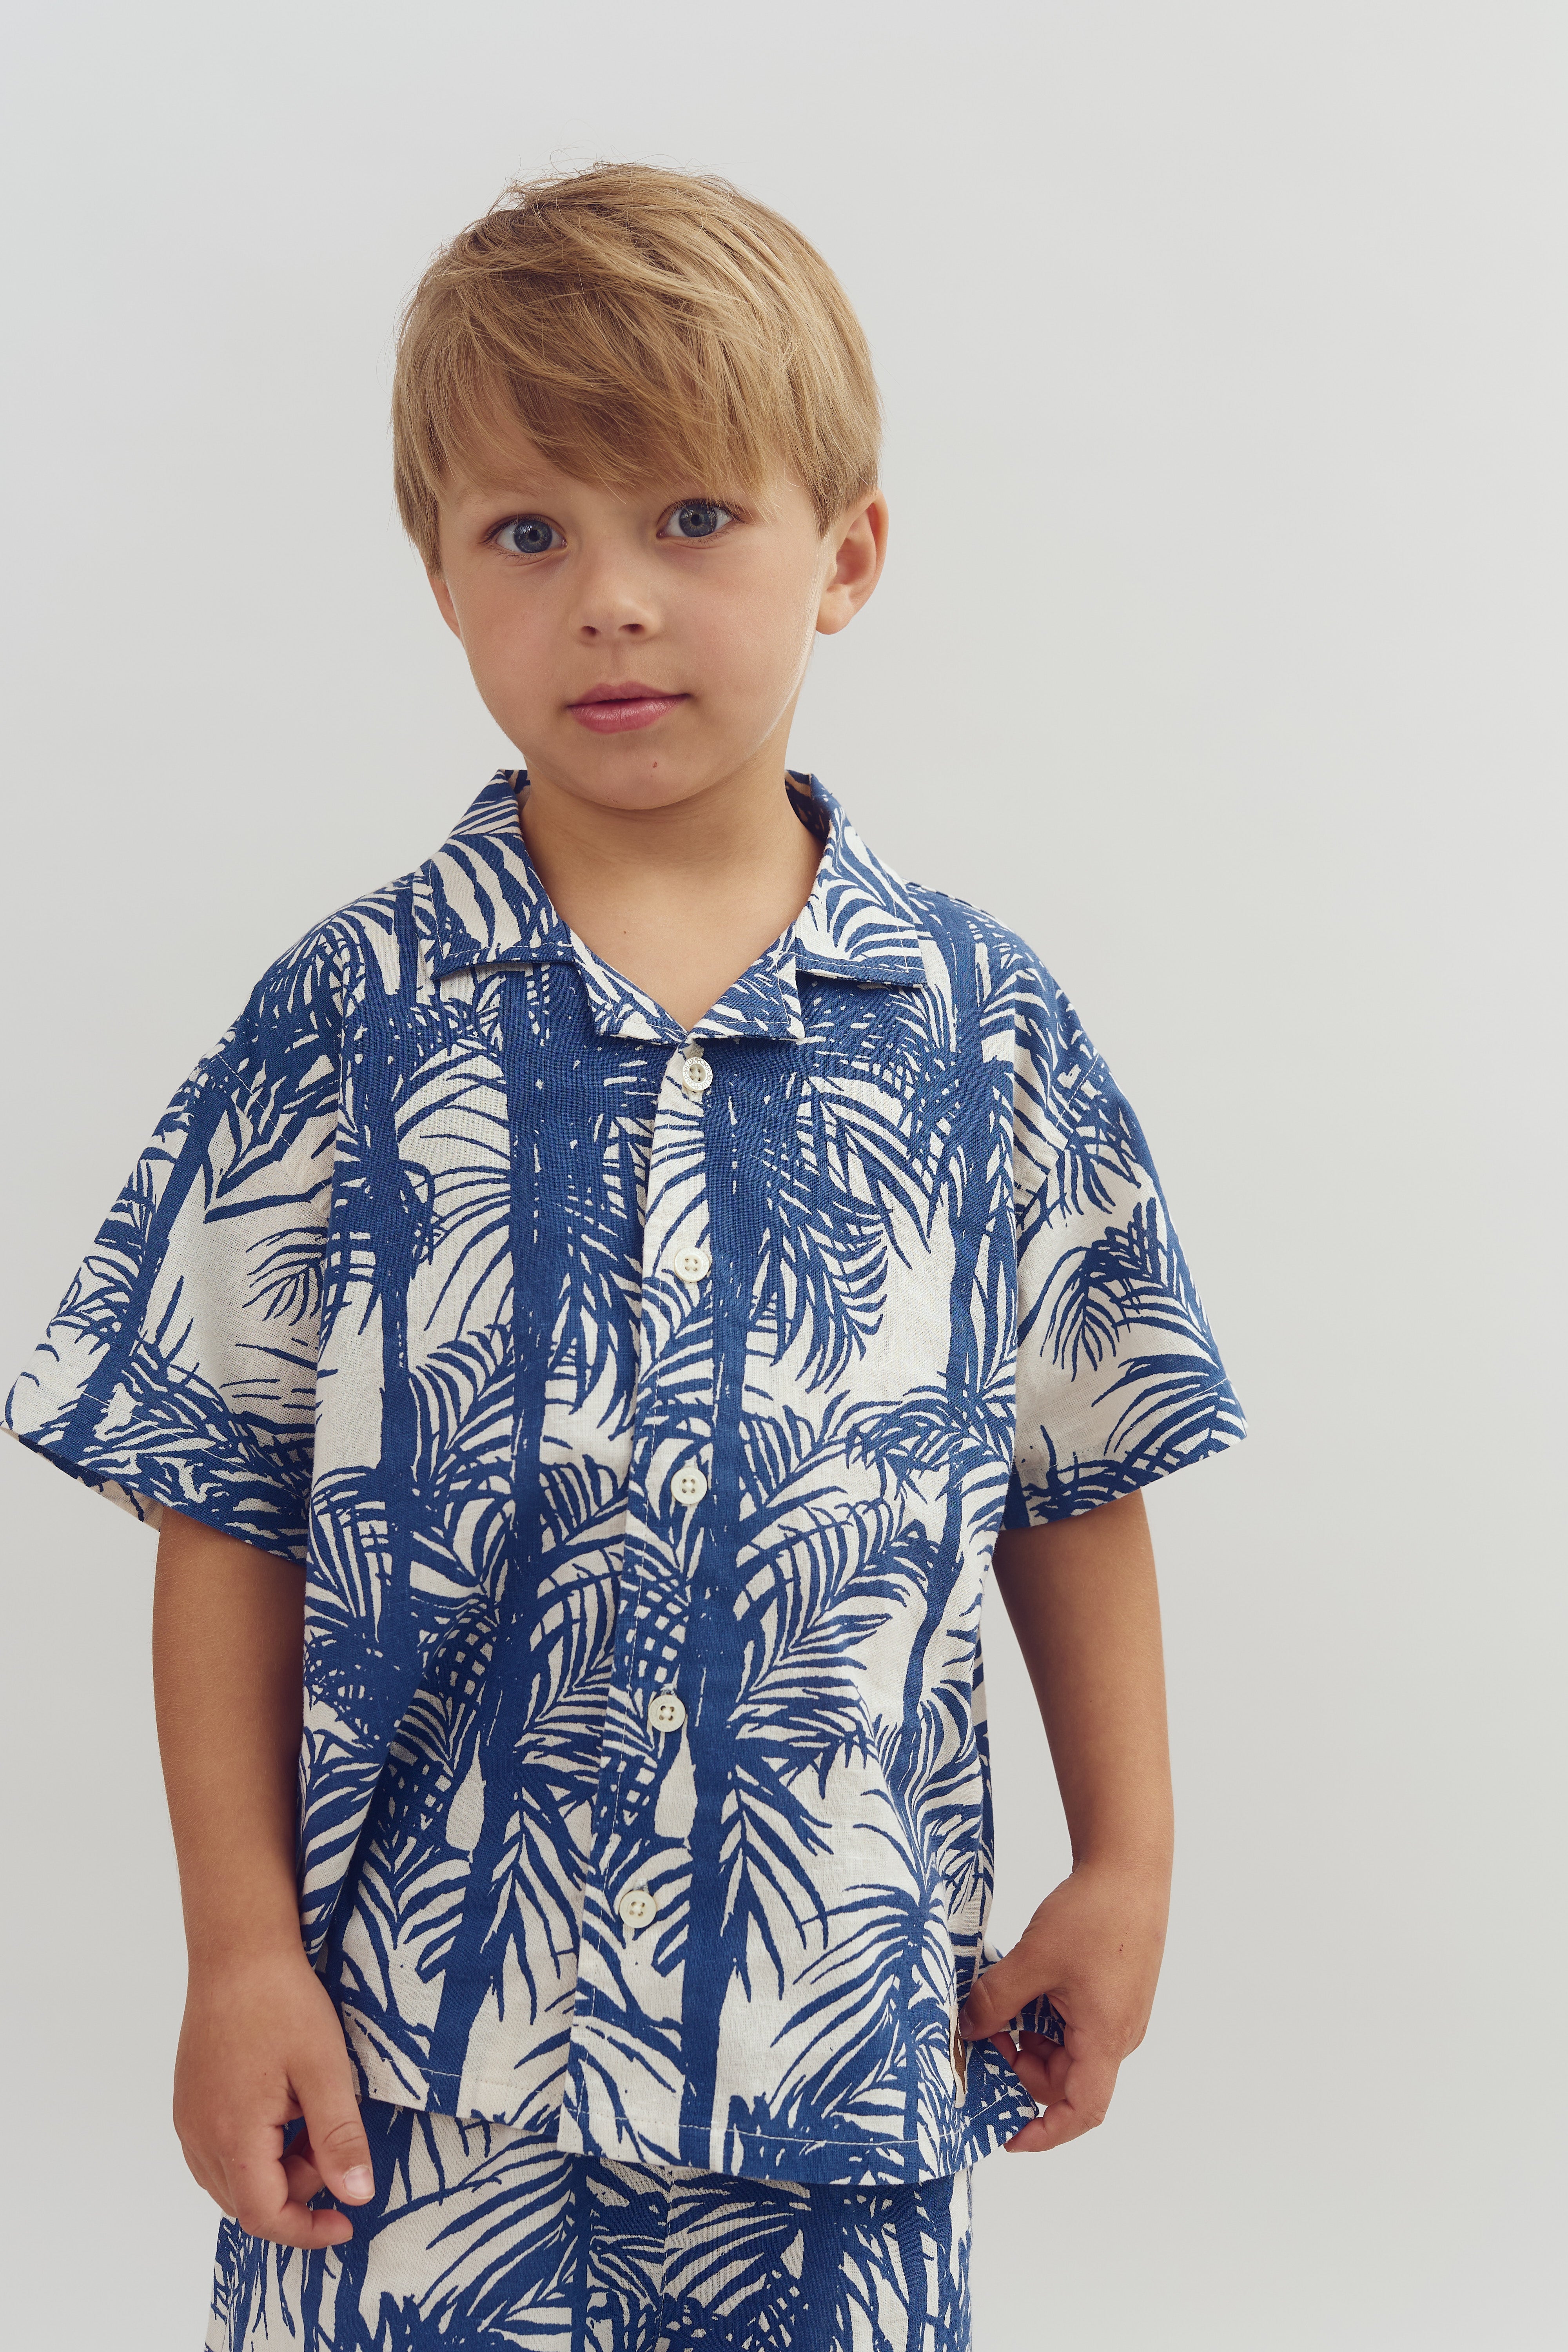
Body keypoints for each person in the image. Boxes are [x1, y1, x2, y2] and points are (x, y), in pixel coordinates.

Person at [5, 163, 1244, 2351]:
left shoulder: (985, 1030)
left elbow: (1081, 1466)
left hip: (842, 2060)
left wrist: (1126, 1864)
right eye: (527, 533)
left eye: (690, 519)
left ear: (844, 552)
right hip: (411, 2085)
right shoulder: (349, 1022)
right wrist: (237, 1958)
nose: (609, 601)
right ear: (439, 575)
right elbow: (220, 1506)